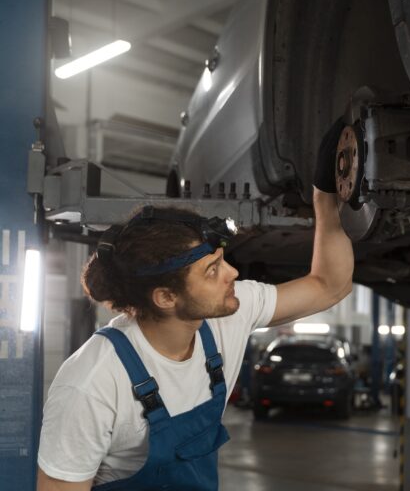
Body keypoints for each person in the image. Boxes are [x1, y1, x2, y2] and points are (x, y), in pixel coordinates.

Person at [36, 119, 352, 490]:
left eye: (222, 260)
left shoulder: (228, 315)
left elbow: (330, 285)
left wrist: (324, 194)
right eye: (212, 270)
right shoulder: (92, 385)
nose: (233, 273)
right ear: (166, 298)